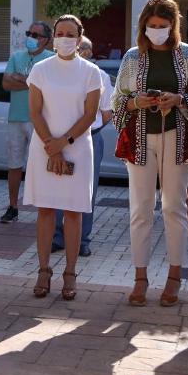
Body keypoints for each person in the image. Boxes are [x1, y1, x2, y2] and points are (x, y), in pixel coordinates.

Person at [112, 0, 188, 307]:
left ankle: (174, 278)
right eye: (151, 26)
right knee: (140, 209)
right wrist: (135, 102)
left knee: (174, 208)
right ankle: (140, 279)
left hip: (177, 137)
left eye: (163, 27)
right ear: (143, 26)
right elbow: (117, 101)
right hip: (140, 139)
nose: (157, 31)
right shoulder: (132, 57)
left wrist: (178, 99)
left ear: (173, 26)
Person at [26, 15, 103, 302]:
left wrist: (65, 142)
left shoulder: (90, 72)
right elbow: (35, 111)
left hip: (78, 146)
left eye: (71, 34)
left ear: (80, 38)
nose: (65, 38)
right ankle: (44, 270)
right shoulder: (40, 69)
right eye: (60, 33)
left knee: (73, 212)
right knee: (45, 210)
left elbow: (90, 114)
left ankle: (70, 273)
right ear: (52, 37)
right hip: (44, 146)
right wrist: (52, 145)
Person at [51, 36, 113, 258]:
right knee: (57, 188)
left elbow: (107, 113)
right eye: (82, 47)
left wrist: (89, 129)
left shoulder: (100, 76)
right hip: (59, 140)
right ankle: (57, 238)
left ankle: (82, 240)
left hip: (89, 139)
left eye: (87, 47)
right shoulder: (53, 73)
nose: (83, 51)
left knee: (86, 191)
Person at [0, 21, 54, 223]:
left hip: (39, 120)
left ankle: (44, 209)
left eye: (37, 35)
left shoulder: (51, 59)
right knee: (14, 165)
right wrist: (31, 81)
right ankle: (13, 206)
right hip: (16, 118)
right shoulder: (16, 56)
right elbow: (6, 83)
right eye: (30, 33)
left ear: (47, 40)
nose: (32, 37)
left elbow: (46, 87)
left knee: (40, 164)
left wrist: (20, 78)